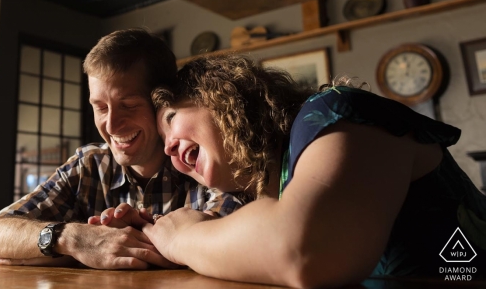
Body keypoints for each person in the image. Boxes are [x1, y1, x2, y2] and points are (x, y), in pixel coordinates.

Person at [102, 54, 486, 287]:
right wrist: (150, 239)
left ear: (218, 96)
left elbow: (305, 252)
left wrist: (184, 238)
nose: (169, 147)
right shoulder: (277, 183)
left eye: (172, 119)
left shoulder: (337, 113)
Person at [0, 29, 242, 270]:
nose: (110, 124)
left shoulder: (202, 160)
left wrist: (65, 255)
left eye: (128, 105)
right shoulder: (89, 165)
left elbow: (228, 247)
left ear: (162, 102)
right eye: (100, 107)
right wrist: (73, 240)